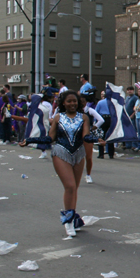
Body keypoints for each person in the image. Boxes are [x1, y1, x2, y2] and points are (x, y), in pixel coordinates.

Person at [50, 91, 90, 237]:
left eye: (75, 101)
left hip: (79, 153)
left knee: (74, 189)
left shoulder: (84, 117)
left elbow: (86, 136)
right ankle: (68, 221)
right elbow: (50, 137)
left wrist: (98, 139)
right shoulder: (58, 118)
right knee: (70, 186)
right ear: (63, 103)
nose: (72, 104)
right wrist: (30, 141)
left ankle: (73, 218)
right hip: (61, 152)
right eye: (69, 101)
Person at [80, 93, 104, 184]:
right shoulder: (75, 111)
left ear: (86, 102)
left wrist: (94, 127)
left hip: (87, 135)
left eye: (83, 101)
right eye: (80, 101)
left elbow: (101, 120)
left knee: (88, 157)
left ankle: (88, 175)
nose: (82, 103)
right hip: (77, 136)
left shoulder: (89, 110)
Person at [95, 91, 115, 159]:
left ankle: (101, 154)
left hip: (102, 119)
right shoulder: (112, 103)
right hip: (110, 119)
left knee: (101, 136)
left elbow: (96, 112)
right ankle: (111, 154)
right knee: (110, 136)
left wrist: (95, 121)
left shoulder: (100, 102)